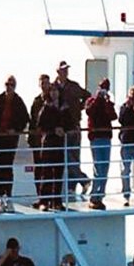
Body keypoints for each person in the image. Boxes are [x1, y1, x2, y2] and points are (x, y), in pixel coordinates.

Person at [0, 75, 29, 213]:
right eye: (7, 84)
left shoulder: (18, 102)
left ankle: (8, 196)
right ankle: (1, 196)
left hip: (9, 140)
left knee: (7, 167)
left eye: (12, 84)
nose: (9, 87)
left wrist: (15, 129)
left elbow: (24, 119)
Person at [54, 61, 88, 199]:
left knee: (74, 156)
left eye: (66, 69)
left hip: (74, 126)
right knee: (64, 157)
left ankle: (72, 188)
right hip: (60, 128)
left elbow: (87, 96)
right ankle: (83, 180)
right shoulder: (53, 87)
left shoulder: (73, 86)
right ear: (58, 71)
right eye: (63, 70)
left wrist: (78, 108)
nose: (65, 72)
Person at [84, 79, 117, 210]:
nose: (104, 90)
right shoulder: (92, 101)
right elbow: (89, 111)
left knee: (105, 168)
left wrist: (107, 103)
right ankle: (94, 196)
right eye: (102, 87)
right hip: (96, 138)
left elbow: (113, 116)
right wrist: (98, 99)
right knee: (98, 168)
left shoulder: (108, 103)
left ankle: (100, 196)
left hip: (106, 138)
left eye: (106, 88)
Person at [36, 85, 70, 210]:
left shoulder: (64, 108)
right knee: (47, 173)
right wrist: (54, 129)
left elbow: (70, 123)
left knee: (58, 173)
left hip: (60, 144)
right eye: (52, 91)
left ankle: (57, 201)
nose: (54, 93)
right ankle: (44, 201)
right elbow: (40, 125)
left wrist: (64, 130)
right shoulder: (46, 107)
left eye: (56, 91)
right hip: (49, 143)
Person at [28, 74, 52, 206]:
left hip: (49, 141)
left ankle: (50, 198)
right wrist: (31, 138)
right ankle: (41, 197)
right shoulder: (37, 101)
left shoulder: (53, 99)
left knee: (49, 170)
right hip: (37, 141)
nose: (44, 86)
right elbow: (33, 120)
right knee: (38, 170)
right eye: (42, 83)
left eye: (46, 83)